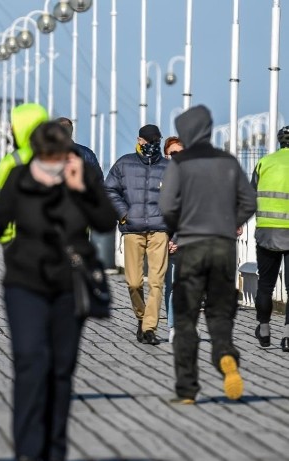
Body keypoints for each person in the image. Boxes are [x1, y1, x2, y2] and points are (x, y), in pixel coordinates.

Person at [0, 122, 117, 461]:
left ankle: (55, 450)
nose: (54, 164)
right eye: (48, 156)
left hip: (69, 284)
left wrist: (81, 188)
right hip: (24, 283)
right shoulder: (20, 178)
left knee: (61, 368)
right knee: (31, 361)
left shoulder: (80, 177)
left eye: (59, 156)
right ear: (37, 152)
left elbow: (106, 221)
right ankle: (27, 448)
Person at [159, 105, 256, 404]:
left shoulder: (180, 164)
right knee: (219, 310)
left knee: (186, 317)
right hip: (223, 247)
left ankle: (187, 389)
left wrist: (180, 228)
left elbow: (166, 206)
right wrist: (231, 223)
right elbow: (249, 201)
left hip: (191, 246)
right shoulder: (227, 161)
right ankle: (226, 354)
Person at [105, 124, 171, 346]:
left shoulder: (169, 167)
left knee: (156, 281)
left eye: (156, 142)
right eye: (148, 142)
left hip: (159, 230)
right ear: (139, 140)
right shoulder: (124, 163)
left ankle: (150, 328)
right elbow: (109, 189)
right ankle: (142, 318)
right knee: (133, 282)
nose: (152, 146)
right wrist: (124, 214)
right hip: (132, 229)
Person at [0, 103, 50, 245]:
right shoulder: (61, 159)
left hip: (17, 239)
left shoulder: (11, 162)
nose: (11, 129)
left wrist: (4, 235)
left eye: (14, 124)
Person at [251, 126, 289, 351]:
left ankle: (264, 329)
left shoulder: (264, 162)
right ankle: (287, 336)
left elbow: (249, 194)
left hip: (266, 232)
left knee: (265, 284)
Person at [163, 137, 184, 343]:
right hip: (163, 237)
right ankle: (173, 326)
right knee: (171, 284)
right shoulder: (161, 175)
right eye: (173, 153)